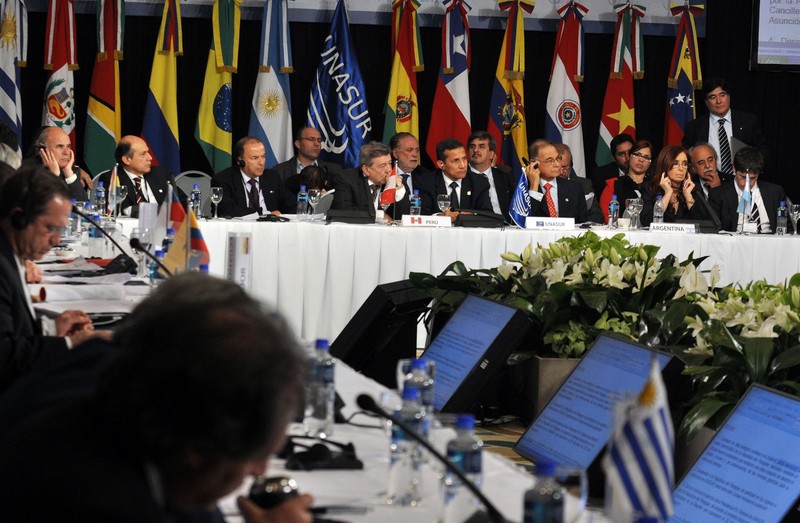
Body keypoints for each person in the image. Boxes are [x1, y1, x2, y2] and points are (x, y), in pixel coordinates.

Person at [0, 273, 313, 522]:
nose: (260, 472)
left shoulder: (119, 415)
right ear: (197, 450)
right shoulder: (100, 501)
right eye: (256, 456)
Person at [0, 167, 106, 393]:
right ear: (19, 218)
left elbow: (12, 329)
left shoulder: (14, 256)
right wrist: (70, 344)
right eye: (50, 228)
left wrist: (51, 329)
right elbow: (5, 355)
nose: (57, 241)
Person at [682, 78, 767, 177]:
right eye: (712, 97)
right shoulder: (694, 127)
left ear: (729, 96)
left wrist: (751, 167)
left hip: (743, 179)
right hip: (709, 183)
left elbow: (762, 150)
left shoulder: (748, 121)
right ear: (706, 101)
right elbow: (687, 157)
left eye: (722, 95)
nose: (718, 101)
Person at [99, 136, 184, 217]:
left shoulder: (160, 174)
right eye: (143, 154)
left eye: (148, 152)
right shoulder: (112, 178)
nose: (150, 158)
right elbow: (117, 210)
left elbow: (183, 202)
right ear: (127, 160)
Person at [709, 146, 786, 234]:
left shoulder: (775, 192)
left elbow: (788, 227)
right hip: (735, 242)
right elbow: (713, 230)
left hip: (769, 241)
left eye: (753, 178)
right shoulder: (718, 195)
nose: (747, 183)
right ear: (734, 168)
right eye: (743, 177)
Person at [211, 137, 294, 217]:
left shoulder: (272, 177)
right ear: (240, 161)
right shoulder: (224, 179)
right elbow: (225, 210)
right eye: (255, 158)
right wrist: (265, 214)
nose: (261, 162)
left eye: (263, 156)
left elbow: (292, 205)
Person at [416, 138, 492, 220]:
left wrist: (473, 215)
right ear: (441, 164)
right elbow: (422, 213)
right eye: (456, 161)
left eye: (464, 159)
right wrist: (442, 217)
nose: (462, 165)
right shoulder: (426, 182)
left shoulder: (479, 182)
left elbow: (488, 213)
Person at [331, 141, 409, 220]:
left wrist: (399, 186)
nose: (389, 170)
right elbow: (343, 212)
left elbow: (404, 216)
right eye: (383, 166)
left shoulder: (392, 179)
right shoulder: (347, 179)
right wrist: (380, 215)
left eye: (389, 163)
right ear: (366, 170)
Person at [524, 140, 587, 223]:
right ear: (534, 163)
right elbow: (525, 221)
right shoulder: (522, 188)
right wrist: (534, 188)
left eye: (558, 158)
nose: (557, 164)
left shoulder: (574, 188)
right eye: (550, 161)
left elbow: (582, 224)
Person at [645, 145, 710, 225]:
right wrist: (668, 194)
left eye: (685, 164)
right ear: (665, 165)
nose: (681, 168)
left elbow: (704, 224)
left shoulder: (693, 190)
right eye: (675, 163)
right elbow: (647, 222)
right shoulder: (650, 188)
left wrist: (688, 196)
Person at [26, 126, 92, 200]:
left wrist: (69, 175)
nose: (67, 152)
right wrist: (53, 176)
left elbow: (84, 206)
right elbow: (40, 206)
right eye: (60, 146)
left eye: (68, 146)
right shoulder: (27, 172)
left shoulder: (72, 171)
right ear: (42, 150)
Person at [599, 140, 653, 222]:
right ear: (629, 156)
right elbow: (606, 218)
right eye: (637, 155)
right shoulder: (613, 184)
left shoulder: (655, 185)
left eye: (646, 157)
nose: (641, 160)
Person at [468, 131, 516, 222]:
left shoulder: (505, 177)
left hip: (505, 228)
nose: (475, 150)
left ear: (491, 154)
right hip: (473, 227)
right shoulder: (461, 176)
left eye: (481, 146)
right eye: (472, 146)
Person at [273, 127, 343, 184]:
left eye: (319, 140)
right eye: (311, 139)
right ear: (298, 144)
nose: (316, 144)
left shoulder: (335, 170)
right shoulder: (279, 171)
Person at [555, 143, 603, 224]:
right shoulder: (545, 185)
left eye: (565, 167)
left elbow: (597, 216)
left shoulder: (584, 184)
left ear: (571, 165)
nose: (561, 172)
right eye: (558, 167)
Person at [590, 133, 633, 197]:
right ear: (614, 158)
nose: (627, 157)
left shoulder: (647, 172)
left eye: (630, 152)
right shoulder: (600, 175)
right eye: (621, 154)